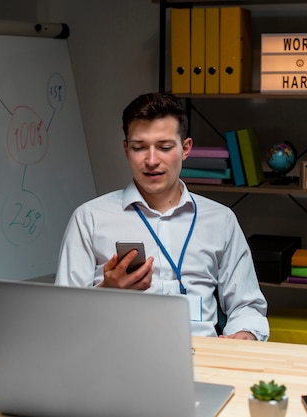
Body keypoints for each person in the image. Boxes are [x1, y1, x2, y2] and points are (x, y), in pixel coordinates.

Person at [55, 92, 268, 340]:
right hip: (117, 360)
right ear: (126, 150)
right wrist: (107, 291)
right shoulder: (89, 218)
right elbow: (63, 315)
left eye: (165, 147)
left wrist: (244, 335)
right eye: (139, 148)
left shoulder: (221, 220)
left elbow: (247, 306)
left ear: (186, 148)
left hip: (202, 360)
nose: (152, 161)